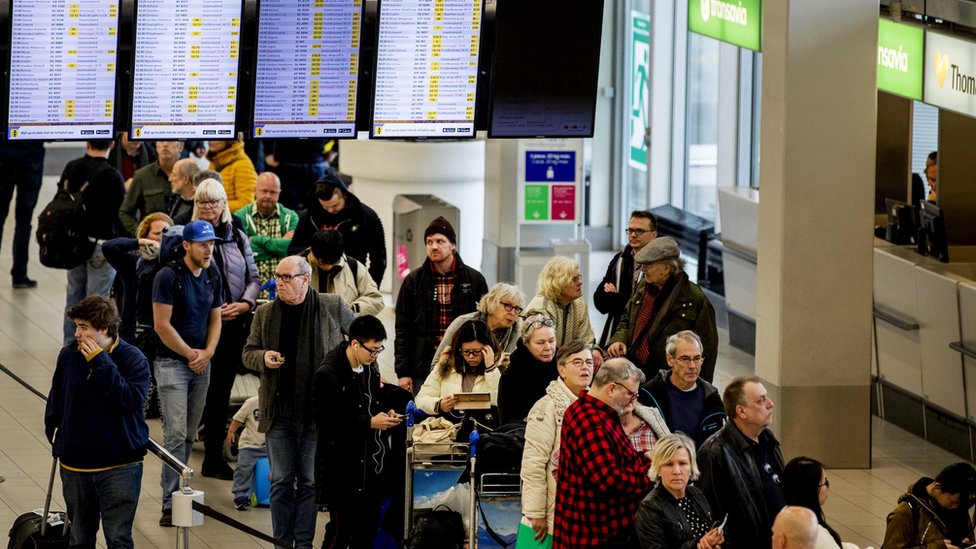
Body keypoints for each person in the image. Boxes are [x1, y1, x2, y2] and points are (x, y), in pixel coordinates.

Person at [242, 255, 354, 549]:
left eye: (286, 277)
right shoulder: (265, 313)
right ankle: (282, 543)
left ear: (305, 280)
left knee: (308, 481)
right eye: (277, 277)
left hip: (316, 409)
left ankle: (303, 544)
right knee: (280, 480)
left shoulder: (331, 305)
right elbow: (248, 352)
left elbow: (361, 340)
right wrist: (263, 357)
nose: (279, 282)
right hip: (278, 408)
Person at [44, 296, 149, 549]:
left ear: (103, 329)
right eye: (77, 326)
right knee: (79, 539)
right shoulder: (69, 356)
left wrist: (100, 362)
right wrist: (59, 441)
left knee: (118, 539)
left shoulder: (133, 359)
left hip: (120, 465)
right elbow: (56, 401)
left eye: (84, 327)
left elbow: (129, 402)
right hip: (76, 466)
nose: (77, 333)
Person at [313, 315, 411, 549]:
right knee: (340, 532)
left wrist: (387, 414)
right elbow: (325, 421)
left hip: (370, 467)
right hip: (341, 469)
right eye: (373, 350)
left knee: (366, 532)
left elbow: (372, 403)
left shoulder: (370, 367)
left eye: (379, 350)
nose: (376, 355)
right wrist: (368, 423)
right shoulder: (327, 374)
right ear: (354, 343)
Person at [152, 220, 223, 527]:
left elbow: (216, 319)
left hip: (201, 364)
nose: (209, 249)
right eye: (202, 244)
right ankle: (170, 502)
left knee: (190, 433)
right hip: (172, 363)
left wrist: (207, 353)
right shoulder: (168, 276)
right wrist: (190, 354)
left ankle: (182, 491)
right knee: (176, 433)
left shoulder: (212, 273)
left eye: (211, 244)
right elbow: (161, 325)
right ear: (186, 246)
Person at [192, 178, 261, 479]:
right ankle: (202, 454)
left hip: (236, 323)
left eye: (214, 201)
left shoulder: (238, 235)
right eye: (202, 202)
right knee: (203, 392)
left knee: (221, 391)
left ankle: (213, 459)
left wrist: (245, 304)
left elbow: (254, 277)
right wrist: (213, 309)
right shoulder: (188, 235)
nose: (208, 207)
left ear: (224, 205)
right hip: (204, 326)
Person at [553, 358, 652, 548]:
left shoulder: (595, 413)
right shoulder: (590, 421)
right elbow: (608, 480)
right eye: (631, 394)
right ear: (612, 389)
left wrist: (642, 457)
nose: (634, 400)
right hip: (595, 536)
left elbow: (614, 460)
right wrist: (652, 474)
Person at [606, 236, 719, 382]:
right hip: (635, 373)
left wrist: (699, 390)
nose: (643, 269)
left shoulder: (694, 299)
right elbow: (626, 319)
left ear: (667, 268)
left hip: (671, 381)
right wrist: (619, 339)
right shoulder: (643, 287)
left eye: (649, 265)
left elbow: (707, 351)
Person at [394, 216, 488, 392]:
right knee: (425, 412)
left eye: (440, 241)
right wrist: (403, 372)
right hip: (423, 364)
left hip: (464, 361)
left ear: (452, 245)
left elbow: (484, 325)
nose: (433, 246)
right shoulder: (413, 282)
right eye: (429, 242)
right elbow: (402, 330)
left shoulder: (474, 280)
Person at [697, 376, 785, 549]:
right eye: (761, 400)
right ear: (741, 411)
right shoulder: (715, 453)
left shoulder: (768, 439)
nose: (770, 403)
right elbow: (710, 516)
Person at [520, 340, 593, 545]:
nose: (585, 367)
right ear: (561, 369)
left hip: (583, 514)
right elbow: (533, 464)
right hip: (549, 515)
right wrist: (536, 513)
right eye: (577, 362)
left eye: (589, 362)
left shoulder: (597, 406)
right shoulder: (546, 408)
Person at [60, 139, 126, 345]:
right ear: (113, 145)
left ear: (87, 142)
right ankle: (91, 349)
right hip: (101, 245)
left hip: (74, 244)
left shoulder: (72, 167)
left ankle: (71, 346)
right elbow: (118, 213)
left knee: (74, 299)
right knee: (97, 304)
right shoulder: (112, 175)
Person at [288, 170, 387, 285]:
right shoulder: (310, 215)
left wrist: (369, 288)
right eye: (325, 206)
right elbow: (292, 250)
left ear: (345, 195)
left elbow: (379, 260)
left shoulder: (366, 216)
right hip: (314, 279)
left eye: (335, 205)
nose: (330, 210)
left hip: (351, 280)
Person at [635, 433, 724, 549]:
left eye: (682, 463)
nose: (677, 471)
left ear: (691, 468)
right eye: (668, 464)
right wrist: (697, 546)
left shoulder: (697, 494)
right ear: (658, 469)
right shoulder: (649, 508)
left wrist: (715, 539)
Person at [637, 330, 726, 447]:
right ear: (670, 360)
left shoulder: (712, 399)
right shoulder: (649, 395)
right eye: (685, 359)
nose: (692, 366)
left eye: (697, 358)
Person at [103, 212, 174, 342]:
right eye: (157, 233)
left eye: (166, 232)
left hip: (163, 334)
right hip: (133, 333)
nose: (162, 237)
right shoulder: (134, 262)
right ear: (146, 236)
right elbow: (108, 247)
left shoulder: (175, 264)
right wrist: (138, 242)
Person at [415, 319, 502, 424]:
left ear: (488, 349)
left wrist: (491, 369)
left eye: (477, 352)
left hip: (485, 431)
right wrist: (439, 404)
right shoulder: (445, 365)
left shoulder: (500, 368)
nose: (471, 357)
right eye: (466, 351)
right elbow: (421, 399)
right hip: (448, 431)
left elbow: (501, 403)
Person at [594, 210, 657, 347]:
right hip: (616, 334)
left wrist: (616, 297)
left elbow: (646, 306)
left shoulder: (658, 265)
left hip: (645, 338)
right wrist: (625, 299)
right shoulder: (620, 260)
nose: (633, 235)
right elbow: (600, 301)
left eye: (640, 231)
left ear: (653, 235)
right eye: (630, 230)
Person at [432, 282, 525, 374]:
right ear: (492, 302)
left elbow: (510, 370)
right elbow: (436, 365)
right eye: (508, 306)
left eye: (517, 309)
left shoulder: (516, 331)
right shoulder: (462, 322)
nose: (513, 313)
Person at [882, 462, 976, 549]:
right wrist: (936, 547)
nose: (955, 507)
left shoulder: (959, 508)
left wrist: (967, 543)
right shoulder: (906, 512)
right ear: (937, 487)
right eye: (953, 502)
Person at [235, 172, 299, 295]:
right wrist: (279, 248)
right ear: (255, 190)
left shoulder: (291, 217)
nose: (268, 196)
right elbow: (241, 253)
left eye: (273, 192)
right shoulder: (240, 216)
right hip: (249, 291)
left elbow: (292, 250)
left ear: (279, 193)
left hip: (285, 290)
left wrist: (254, 241)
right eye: (264, 191)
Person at [782, 457, 861, 549]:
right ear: (810, 490)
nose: (828, 487)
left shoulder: (785, 515)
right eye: (825, 482)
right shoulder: (815, 534)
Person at [497, 311, 558, 424]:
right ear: (526, 343)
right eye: (540, 343)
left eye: (551, 341)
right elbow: (508, 422)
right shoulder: (511, 377)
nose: (548, 347)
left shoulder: (564, 367)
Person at [307, 229, 384, 316]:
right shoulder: (296, 266)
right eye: (323, 262)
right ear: (312, 251)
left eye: (333, 262)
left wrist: (352, 308)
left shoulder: (354, 267)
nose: (329, 267)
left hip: (344, 327)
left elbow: (376, 300)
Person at [0, 141, 45, 288]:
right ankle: (19, 274)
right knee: (24, 221)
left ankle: (20, 273)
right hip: (32, 157)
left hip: (3, 156)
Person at [526, 256, 596, 347]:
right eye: (574, 279)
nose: (580, 282)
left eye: (579, 277)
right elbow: (544, 349)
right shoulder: (541, 308)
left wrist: (593, 351)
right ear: (558, 282)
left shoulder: (579, 304)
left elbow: (587, 341)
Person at [119, 140, 183, 236]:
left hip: (183, 241)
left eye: (170, 140)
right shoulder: (142, 176)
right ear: (156, 146)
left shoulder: (190, 174)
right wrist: (143, 232)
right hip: (152, 244)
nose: (165, 144)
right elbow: (125, 212)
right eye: (161, 141)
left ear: (181, 146)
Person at [226, 395, 267, 511]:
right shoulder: (251, 402)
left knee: (284, 468)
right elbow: (238, 418)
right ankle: (239, 495)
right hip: (250, 445)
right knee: (243, 469)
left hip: (269, 446)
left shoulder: (277, 404)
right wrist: (231, 432)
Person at [264, 138, 329, 210]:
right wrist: (269, 151)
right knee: (287, 205)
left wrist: (335, 149)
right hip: (288, 159)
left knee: (316, 205)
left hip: (315, 160)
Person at [208, 136, 257, 213]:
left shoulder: (243, 165)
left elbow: (246, 203)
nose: (211, 141)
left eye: (217, 136)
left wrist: (214, 206)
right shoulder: (214, 161)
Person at [167, 157, 202, 225]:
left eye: (174, 175)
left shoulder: (203, 205)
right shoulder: (173, 198)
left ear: (185, 179)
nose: (170, 179)